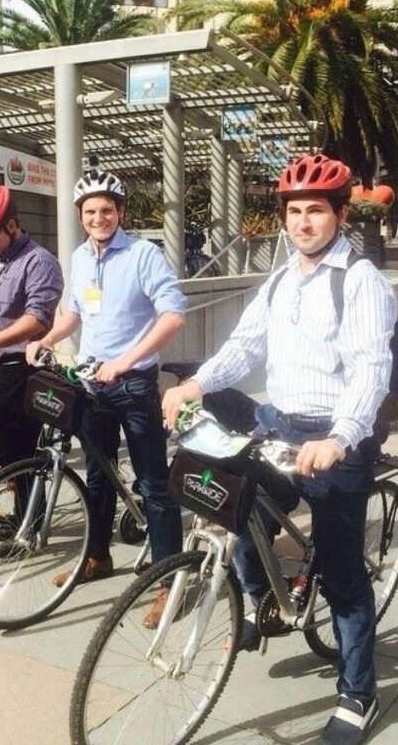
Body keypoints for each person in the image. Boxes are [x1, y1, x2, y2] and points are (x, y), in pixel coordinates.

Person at [162, 154, 397, 745]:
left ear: (340, 214)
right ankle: (260, 597)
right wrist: (195, 384)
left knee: (343, 573)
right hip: (280, 421)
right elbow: (243, 349)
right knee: (232, 505)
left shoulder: (360, 280)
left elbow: (372, 368)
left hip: (337, 435)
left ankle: (358, 694)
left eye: (316, 210)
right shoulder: (280, 278)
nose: (303, 222)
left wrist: (340, 438)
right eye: (294, 211)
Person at [26, 167, 186, 628]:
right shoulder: (79, 257)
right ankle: (97, 558)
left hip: (133, 385)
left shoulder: (143, 255)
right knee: (97, 477)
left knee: (154, 485)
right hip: (92, 383)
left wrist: (128, 359)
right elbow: (75, 311)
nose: (99, 218)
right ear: (81, 216)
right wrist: (47, 337)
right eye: (91, 211)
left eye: (107, 210)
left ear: (121, 213)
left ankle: (168, 581)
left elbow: (174, 314)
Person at [0, 184, 63, 560]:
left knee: (22, 453)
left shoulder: (40, 262)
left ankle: (29, 531)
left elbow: (38, 319)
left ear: (13, 225)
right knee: (5, 453)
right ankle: (20, 516)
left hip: (19, 368)